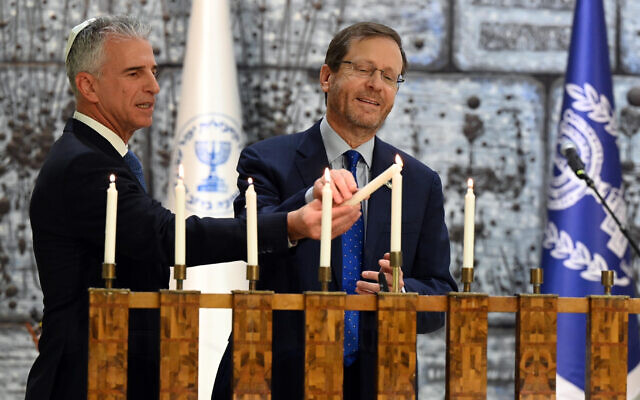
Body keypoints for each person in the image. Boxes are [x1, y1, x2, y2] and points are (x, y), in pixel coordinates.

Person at [25, 15, 359, 400]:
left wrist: (293, 215)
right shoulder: (84, 163)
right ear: (88, 85)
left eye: (153, 71)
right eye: (134, 73)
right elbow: (164, 236)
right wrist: (290, 226)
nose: (154, 86)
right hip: (89, 379)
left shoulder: (95, 154)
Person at [212, 22, 458, 400]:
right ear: (327, 76)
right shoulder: (266, 159)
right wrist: (310, 197)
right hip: (272, 377)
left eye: (390, 77)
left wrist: (404, 293)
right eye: (364, 70)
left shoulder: (420, 182)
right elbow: (251, 237)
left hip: (380, 382)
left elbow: (439, 297)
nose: (377, 84)